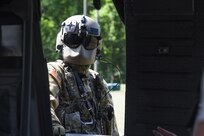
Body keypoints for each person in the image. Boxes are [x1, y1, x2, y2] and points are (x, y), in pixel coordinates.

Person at [47, 15, 119, 136]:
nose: (81, 48)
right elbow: (46, 102)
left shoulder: (98, 82)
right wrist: (53, 124)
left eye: (89, 42)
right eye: (73, 39)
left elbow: (111, 127)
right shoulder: (55, 71)